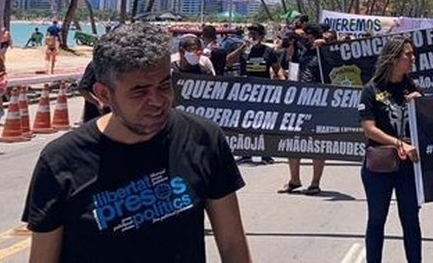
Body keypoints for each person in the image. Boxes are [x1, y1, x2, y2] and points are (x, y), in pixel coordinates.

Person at [21, 23, 250, 262]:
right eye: (139, 91)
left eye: (164, 85)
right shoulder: (60, 160)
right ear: (103, 95)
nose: (157, 101)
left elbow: (232, 243)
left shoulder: (203, 138)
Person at [359, 37, 423, 263]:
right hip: (379, 166)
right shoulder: (371, 90)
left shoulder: (411, 87)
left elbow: (426, 122)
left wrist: (420, 103)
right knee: (377, 220)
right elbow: (369, 129)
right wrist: (398, 143)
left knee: (411, 220)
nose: (412, 58)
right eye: (408, 54)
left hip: (408, 167)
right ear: (394, 58)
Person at [281, 23, 328, 195]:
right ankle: (294, 180)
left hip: (318, 102)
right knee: (293, 141)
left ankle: (315, 183)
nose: (305, 39)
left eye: (308, 35)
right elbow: (290, 69)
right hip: (297, 100)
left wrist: (325, 46)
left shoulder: (323, 51)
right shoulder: (299, 52)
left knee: (317, 142)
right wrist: (291, 47)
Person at [229, 25, 278, 164]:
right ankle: (246, 153)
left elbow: (276, 69)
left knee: (264, 123)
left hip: (264, 92)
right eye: (250, 33)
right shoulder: (244, 51)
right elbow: (228, 61)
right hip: (245, 92)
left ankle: (265, 154)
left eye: (255, 34)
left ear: (262, 36)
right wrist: (241, 48)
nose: (252, 36)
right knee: (245, 122)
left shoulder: (268, 51)